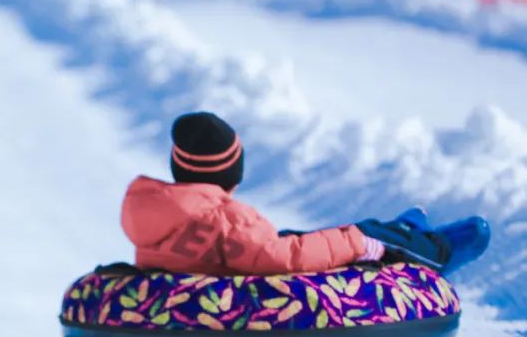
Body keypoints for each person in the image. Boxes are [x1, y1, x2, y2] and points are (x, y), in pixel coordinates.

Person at [121, 112, 489, 276]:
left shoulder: (155, 208)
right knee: (360, 236)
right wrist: (354, 243)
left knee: (305, 236)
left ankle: (403, 227)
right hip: (248, 262)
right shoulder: (226, 219)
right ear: (230, 176)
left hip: (230, 258)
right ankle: (437, 250)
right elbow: (282, 258)